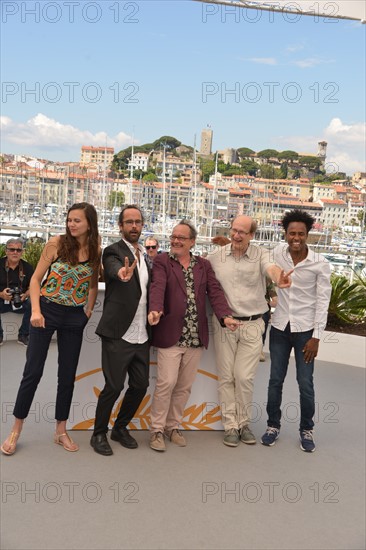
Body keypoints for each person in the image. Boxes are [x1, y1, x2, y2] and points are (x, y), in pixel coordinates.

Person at [1, 203, 101, 455]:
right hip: (46, 310)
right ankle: (16, 429)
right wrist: (35, 310)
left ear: (89, 222)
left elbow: (91, 285)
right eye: (69, 220)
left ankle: (60, 431)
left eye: (77, 220)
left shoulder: (95, 248)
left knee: (67, 376)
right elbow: (35, 280)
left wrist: (87, 311)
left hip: (74, 317)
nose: (71, 224)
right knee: (32, 372)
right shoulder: (56, 243)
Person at [148, 219, 238, 452]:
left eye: (181, 238)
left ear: (192, 242)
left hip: (195, 336)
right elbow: (157, 286)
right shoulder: (162, 261)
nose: (176, 241)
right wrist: (155, 309)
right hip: (170, 334)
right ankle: (157, 430)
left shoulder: (203, 265)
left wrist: (225, 316)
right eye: (173, 236)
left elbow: (215, 292)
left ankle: (173, 426)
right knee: (166, 383)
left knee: (184, 386)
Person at [207, 215, 292, 447]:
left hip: (254, 324)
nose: (236, 235)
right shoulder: (215, 257)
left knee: (244, 377)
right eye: (234, 230)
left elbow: (271, 269)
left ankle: (244, 423)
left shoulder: (261, 254)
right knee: (226, 377)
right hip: (225, 323)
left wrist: (279, 277)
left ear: (252, 235)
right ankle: (231, 426)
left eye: (242, 232)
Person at [261, 210, 331, 452]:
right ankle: (273, 425)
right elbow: (259, 261)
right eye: (292, 233)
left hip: (305, 331)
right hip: (280, 327)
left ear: (308, 235)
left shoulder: (320, 264)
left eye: (301, 233)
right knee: (275, 381)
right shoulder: (277, 254)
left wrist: (316, 337)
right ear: (286, 234)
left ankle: (306, 429)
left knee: (305, 382)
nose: (296, 238)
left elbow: (323, 302)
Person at [90, 205, 150, 456]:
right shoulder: (113, 251)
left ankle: (120, 428)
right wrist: (122, 272)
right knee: (113, 386)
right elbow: (115, 268)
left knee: (140, 385)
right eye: (129, 222)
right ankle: (99, 433)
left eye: (137, 222)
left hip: (142, 333)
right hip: (118, 332)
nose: (134, 226)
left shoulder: (146, 254)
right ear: (120, 226)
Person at [0, 238, 34, 346]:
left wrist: (26, 294)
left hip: (21, 302)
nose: (15, 252)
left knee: (34, 303)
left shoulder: (28, 267)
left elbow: (35, 286)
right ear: (6, 251)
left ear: (22, 252)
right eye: (12, 249)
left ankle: (23, 335)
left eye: (18, 250)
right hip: (1, 301)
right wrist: (1, 294)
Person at [260, 278, 278, 362]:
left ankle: (259, 350)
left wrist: (265, 303)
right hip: (247, 308)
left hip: (263, 309)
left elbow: (275, 300)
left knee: (264, 316)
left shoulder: (267, 279)